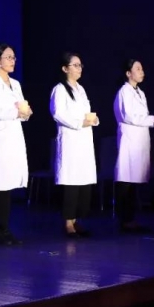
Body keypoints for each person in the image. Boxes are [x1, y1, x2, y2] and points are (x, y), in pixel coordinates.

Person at [0, 43, 31, 245]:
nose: (12, 61)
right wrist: (14, 112)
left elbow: (20, 109)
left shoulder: (15, 84)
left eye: (13, 57)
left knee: (7, 185)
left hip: (13, 137)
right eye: (8, 57)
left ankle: (5, 228)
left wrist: (25, 113)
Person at [113, 59, 154, 232]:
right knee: (126, 181)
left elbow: (142, 117)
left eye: (142, 68)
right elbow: (130, 116)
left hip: (139, 141)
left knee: (133, 182)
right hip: (130, 141)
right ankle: (125, 220)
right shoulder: (124, 91)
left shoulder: (140, 93)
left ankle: (130, 219)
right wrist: (153, 119)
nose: (141, 71)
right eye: (137, 69)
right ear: (128, 73)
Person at [50, 52, 97, 238]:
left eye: (80, 65)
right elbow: (58, 113)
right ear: (65, 68)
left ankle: (77, 220)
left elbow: (86, 112)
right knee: (71, 183)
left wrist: (93, 120)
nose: (79, 68)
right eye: (75, 65)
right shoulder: (60, 89)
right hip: (70, 140)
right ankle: (68, 223)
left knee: (83, 182)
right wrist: (79, 123)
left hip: (84, 140)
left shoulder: (81, 89)